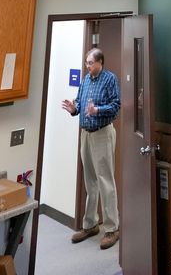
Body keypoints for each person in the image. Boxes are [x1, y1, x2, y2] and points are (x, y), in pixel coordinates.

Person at [62, 47, 121, 250]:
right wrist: (74, 108)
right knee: (90, 181)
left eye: (90, 63)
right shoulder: (86, 80)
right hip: (86, 134)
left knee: (106, 180)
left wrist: (97, 110)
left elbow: (116, 106)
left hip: (102, 133)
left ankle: (112, 228)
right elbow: (79, 101)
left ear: (99, 62)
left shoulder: (110, 79)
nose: (87, 66)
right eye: (86, 63)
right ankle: (90, 225)